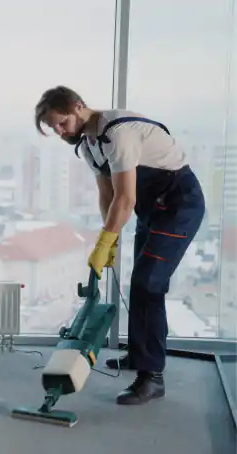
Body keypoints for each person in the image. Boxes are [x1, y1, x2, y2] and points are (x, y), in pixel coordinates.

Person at [34, 86, 206, 405]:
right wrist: (108, 236)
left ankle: (151, 377)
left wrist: (105, 241)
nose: (59, 132)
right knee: (140, 282)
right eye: (52, 128)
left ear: (77, 107)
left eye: (61, 123)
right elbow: (108, 195)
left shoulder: (119, 133)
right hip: (152, 209)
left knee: (149, 285)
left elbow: (126, 197)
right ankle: (139, 357)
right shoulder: (87, 146)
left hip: (180, 205)